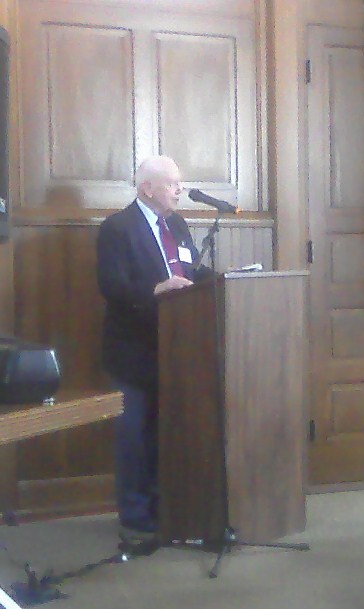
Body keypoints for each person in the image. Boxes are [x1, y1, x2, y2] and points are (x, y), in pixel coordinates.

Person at [96, 155, 210, 536]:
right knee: (134, 434)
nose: (180, 190)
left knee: (169, 431)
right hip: (132, 350)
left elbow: (189, 269)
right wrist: (155, 290)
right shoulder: (117, 228)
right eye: (172, 183)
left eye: (179, 183)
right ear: (147, 188)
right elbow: (112, 287)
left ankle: (167, 505)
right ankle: (135, 514)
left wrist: (229, 279)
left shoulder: (177, 224)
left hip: (177, 348)